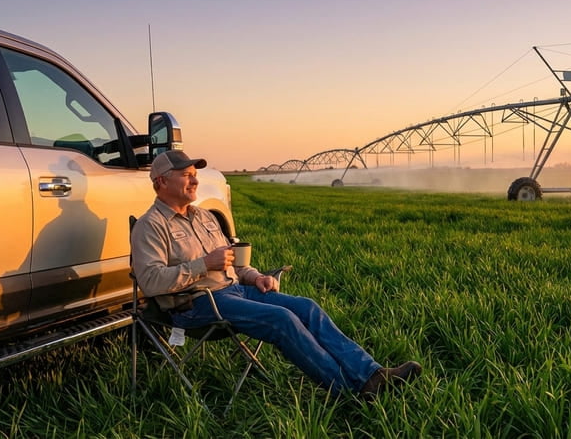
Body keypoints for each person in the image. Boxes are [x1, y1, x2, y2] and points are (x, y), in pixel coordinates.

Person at [131, 150, 421, 399]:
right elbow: (152, 282)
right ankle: (349, 390)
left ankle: (371, 373)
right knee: (281, 319)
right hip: (195, 303)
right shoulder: (150, 226)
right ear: (161, 181)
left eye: (194, 174)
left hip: (235, 291)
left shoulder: (204, 216)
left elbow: (232, 263)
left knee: (306, 307)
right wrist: (203, 265)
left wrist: (255, 277)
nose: (194, 180)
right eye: (186, 175)